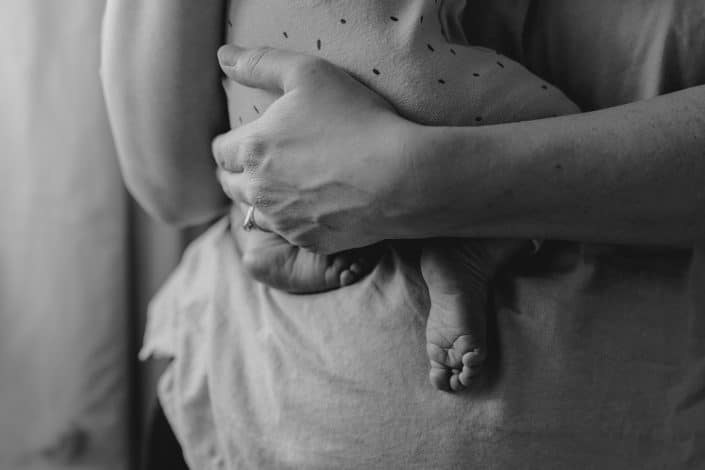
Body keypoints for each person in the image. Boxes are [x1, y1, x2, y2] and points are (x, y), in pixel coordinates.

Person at [102, 0, 705, 468]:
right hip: (250, 410)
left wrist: (425, 185)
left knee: (398, 58)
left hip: (632, 423)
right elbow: (174, 186)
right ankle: (267, 229)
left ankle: (468, 240)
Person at [102, 0, 578, 393]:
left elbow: (177, 188)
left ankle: (259, 227)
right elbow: (174, 191)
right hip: (403, 75)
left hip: (263, 83)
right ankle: (467, 243)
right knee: (542, 120)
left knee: (263, 93)